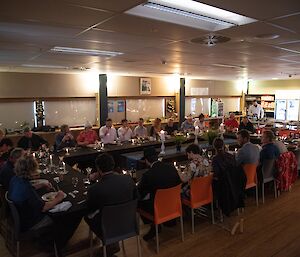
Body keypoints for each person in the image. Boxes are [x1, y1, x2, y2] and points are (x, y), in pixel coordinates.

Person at [85, 153, 136, 256]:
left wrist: (93, 181)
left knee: (87, 216)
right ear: (113, 165)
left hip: (107, 227)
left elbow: (90, 209)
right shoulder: (128, 180)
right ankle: (112, 244)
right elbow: (136, 197)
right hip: (129, 223)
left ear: (98, 169)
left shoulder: (95, 189)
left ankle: (109, 244)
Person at [8, 155, 65, 232]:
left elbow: (27, 188)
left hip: (18, 216)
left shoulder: (15, 179)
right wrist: (59, 198)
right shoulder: (26, 189)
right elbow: (44, 208)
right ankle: (55, 241)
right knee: (62, 216)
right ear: (30, 171)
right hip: (30, 223)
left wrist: (42, 184)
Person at [138, 147, 181, 241]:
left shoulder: (148, 175)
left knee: (139, 203)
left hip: (158, 208)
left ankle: (154, 226)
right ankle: (169, 220)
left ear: (146, 161)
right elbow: (178, 183)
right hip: (174, 204)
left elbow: (139, 192)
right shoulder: (171, 167)